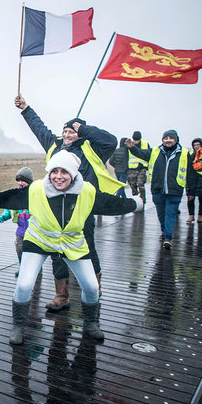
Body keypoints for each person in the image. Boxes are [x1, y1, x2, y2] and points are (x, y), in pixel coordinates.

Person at [0, 151, 142, 344]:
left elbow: (112, 204)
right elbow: (11, 198)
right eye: (54, 171)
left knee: (91, 287)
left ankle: (90, 323)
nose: (58, 176)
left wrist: (136, 203)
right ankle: (17, 325)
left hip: (71, 242)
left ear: (73, 173)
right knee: (24, 284)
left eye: (64, 172)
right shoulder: (36, 189)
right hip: (39, 240)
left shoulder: (87, 191)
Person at [14, 94, 122, 311]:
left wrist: (83, 128)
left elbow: (111, 140)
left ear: (79, 133)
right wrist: (25, 108)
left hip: (83, 209)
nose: (67, 134)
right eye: (64, 131)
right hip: (54, 209)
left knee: (88, 246)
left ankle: (94, 290)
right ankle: (61, 296)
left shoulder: (92, 148)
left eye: (71, 131)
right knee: (56, 252)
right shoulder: (54, 146)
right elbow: (39, 128)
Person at [126, 130, 194, 249]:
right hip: (158, 189)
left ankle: (168, 237)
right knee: (161, 213)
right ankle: (164, 231)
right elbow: (142, 153)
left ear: (176, 140)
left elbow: (190, 172)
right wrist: (132, 148)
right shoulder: (155, 151)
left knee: (170, 213)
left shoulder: (184, 153)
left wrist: (191, 190)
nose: (168, 140)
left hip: (175, 190)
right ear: (162, 140)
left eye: (170, 138)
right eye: (165, 138)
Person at [0, 167, 34, 277]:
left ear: (29, 181)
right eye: (18, 180)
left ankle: (35, 269)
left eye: (23, 180)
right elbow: (10, 208)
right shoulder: (16, 194)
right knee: (19, 249)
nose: (20, 183)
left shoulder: (34, 193)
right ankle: (22, 267)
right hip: (21, 230)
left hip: (33, 230)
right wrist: (4, 216)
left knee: (33, 250)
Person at [127, 131, 151, 203]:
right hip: (131, 168)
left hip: (142, 168)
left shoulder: (145, 144)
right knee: (133, 186)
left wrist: (148, 167)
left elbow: (149, 155)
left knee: (140, 184)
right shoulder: (129, 144)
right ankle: (136, 202)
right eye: (135, 140)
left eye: (137, 140)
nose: (136, 142)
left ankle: (143, 201)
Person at [187, 138, 202, 223]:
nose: (196, 147)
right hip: (192, 179)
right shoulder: (191, 156)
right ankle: (191, 215)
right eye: (194, 145)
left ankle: (200, 216)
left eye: (198, 145)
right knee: (190, 198)